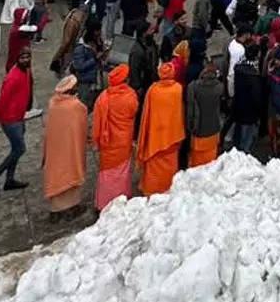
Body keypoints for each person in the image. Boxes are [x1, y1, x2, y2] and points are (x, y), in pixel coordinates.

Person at [92, 63, 139, 211]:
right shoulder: (130, 96)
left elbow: (97, 122)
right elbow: (133, 111)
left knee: (106, 173)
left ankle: (103, 203)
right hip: (123, 141)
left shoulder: (103, 98)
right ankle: (121, 198)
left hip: (107, 143)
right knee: (122, 172)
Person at [0, 45, 33, 198]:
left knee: (15, 149)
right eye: (23, 58)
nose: (26, 60)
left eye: (28, 57)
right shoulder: (12, 77)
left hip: (19, 117)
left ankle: (9, 180)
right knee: (19, 149)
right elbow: (1, 101)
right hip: (10, 120)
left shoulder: (26, 70)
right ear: (17, 59)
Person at [136, 62, 186, 195]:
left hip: (155, 137)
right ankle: (167, 188)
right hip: (173, 136)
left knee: (154, 168)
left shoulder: (153, 90)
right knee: (170, 166)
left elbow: (146, 113)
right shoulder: (178, 89)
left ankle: (151, 190)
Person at [42, 74, 88, 217]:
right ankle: (71, 208)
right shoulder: (75, 106)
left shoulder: (53, 103)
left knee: (56, 174)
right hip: (71, 148)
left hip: (55, 147)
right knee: (71, 173)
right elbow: (82, 126)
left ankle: (55, 210)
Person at [186, 61, 223, 167]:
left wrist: (189, 127)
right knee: (210, 162)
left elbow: (190, 111)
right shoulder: (220, 87)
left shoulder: (193, 87)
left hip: (199, 130)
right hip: (214, 130)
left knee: (197, 162)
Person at [233, 42, 264, 154]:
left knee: (239, 131)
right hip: (250, 112)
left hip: (238, 106)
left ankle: (237, 149)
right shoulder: (254, 76)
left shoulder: (238, 68)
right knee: (247, 136)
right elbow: (256, 98)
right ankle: (244, 153)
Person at [128, 20, 158, 109]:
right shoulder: (137, 51)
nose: (153, 32)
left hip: (150, 80)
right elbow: (134, 69)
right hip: (142, 84)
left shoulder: (151, 44)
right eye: (150, 30)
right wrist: (138, 87)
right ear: (144, 33)